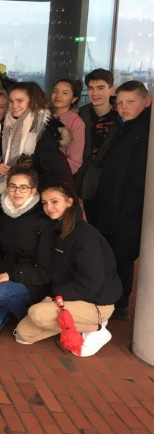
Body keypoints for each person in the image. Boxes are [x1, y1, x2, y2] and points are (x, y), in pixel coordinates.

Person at [15, 183, 121, 357]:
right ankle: (72, 324)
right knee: (23, 335)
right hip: (70, 297)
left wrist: (54, 297)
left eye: (54, 201)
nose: (49, 208)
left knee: (37, 314)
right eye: (44, 203)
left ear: (69, 202)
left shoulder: (85, 235)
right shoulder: (57, 229)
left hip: (96, 303)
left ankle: (96, 328)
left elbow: (91, 283)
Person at [93, 80, 151, 320]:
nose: (124, 107)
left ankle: (119, 305)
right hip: (113, 206)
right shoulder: (125, 127)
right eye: (120, 103)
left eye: (131, 102)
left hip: (129, 211)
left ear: (147, 101)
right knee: (112, 256)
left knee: (122, 259)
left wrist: (126, 210)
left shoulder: (146, 131)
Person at [0, 161, 53, 337]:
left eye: (23, 188)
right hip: (4, 278)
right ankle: (13, 305)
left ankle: (29, 319)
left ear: (33, 191)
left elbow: (44, 270)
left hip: (32, 282)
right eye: (13, 186)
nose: (17, 192)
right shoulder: (0, 213)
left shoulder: (42, 220)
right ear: (7, 187)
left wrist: (10, 275)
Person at [0, 82, 70, 200]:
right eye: (11, 101)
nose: (14, 106)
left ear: (33, 101)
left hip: (34, 196)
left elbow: (54, 175)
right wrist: (0, 168)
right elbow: (3, 157)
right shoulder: (8, 125)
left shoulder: (43, 130)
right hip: (12, 191)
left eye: (20, 101)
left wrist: (25, 181)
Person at [75, 69, 120, 224]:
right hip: (84, 178)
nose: (94, 93)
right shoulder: (83, 113)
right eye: (91, 88)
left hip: (110, 179)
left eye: (100, 88)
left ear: (111, 90)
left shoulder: (121, 115)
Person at [51, 78, 85, 175]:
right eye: (55, 91)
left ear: (74, 99)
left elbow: (75, 161)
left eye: (65, 93)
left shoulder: (76, 123)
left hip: (58, 173)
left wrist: (56, 174)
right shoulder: (43, 114)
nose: (58, 96)